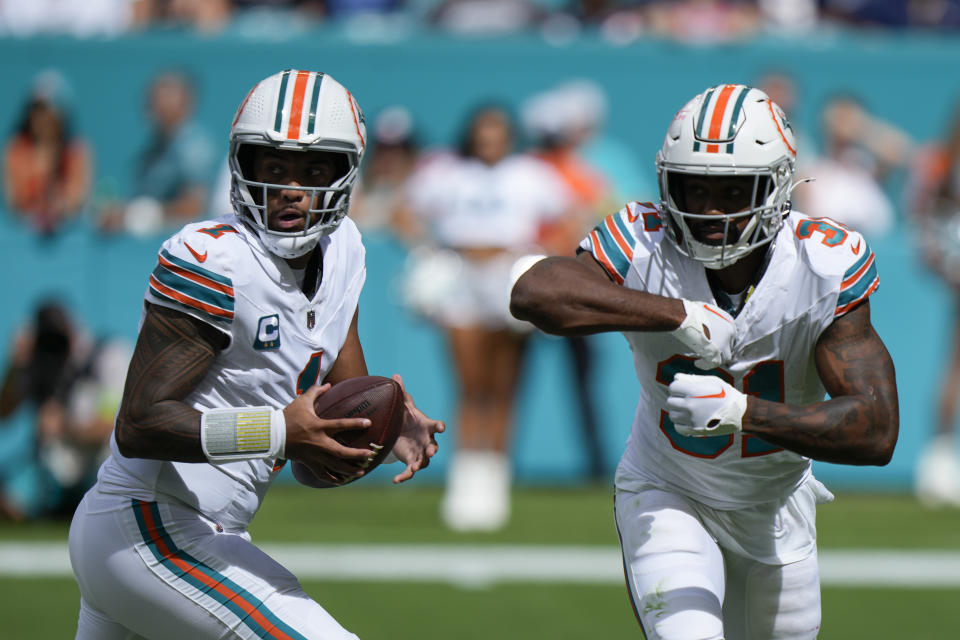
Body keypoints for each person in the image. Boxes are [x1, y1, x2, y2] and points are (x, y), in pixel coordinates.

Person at [510, 84, 899, 639]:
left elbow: (876, 430)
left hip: (775, 505)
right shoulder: (642, 239)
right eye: (693, 187)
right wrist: (678, 315)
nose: (709, 210)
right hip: (668, 488)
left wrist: (745, 412)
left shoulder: (822, 262)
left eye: (733, 191)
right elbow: (535, 293)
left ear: (778, 187)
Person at [68, 69, 444, 640]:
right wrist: (276, 431)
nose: (290, 187)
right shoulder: (214, 260)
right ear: (243, 167)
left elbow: (323, 439)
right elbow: (138, 424)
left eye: (313, 170)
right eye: (273, 167)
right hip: (148, 525)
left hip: (207, 534)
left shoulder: (345, 251)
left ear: (344, 174)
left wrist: (382, 431)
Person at [393, 103, 572, 531]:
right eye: (483, 131)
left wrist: (539, 260)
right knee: (469, 383)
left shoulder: (531, 173)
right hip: (461, 273)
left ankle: (495, 485)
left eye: (497, 132)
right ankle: (466, 485)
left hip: (509, 276)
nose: (490, 140)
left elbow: (570, 220)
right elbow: (403, 212)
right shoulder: (446, 172)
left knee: (505, 386)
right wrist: (428, 250)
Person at [0, 301, 130, 521]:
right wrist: (17, 365)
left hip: (98, 467)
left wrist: (63, 426)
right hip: (52, 468)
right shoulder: (37, 362)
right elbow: (4, 413)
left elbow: (113, 427)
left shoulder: (107, 355)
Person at [907, 100, 960, 507]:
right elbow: (926, 216)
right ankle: (939, 462)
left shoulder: (942, 159)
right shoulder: (942, 161)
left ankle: (939, 461)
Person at [99, 70, 215, 235]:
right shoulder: (153, 149)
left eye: (165, 95)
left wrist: (135, 215)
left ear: (185, 102)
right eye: (153, 96)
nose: (156, 103)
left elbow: (193, 207)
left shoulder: (195, 147)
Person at [3, 70, 92, 234]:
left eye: (48, 111)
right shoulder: (16, 150)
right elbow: (14, 201)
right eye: (36, 111)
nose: (42, 118)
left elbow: (77, 199)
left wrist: (60, 207)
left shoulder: (75, 150)